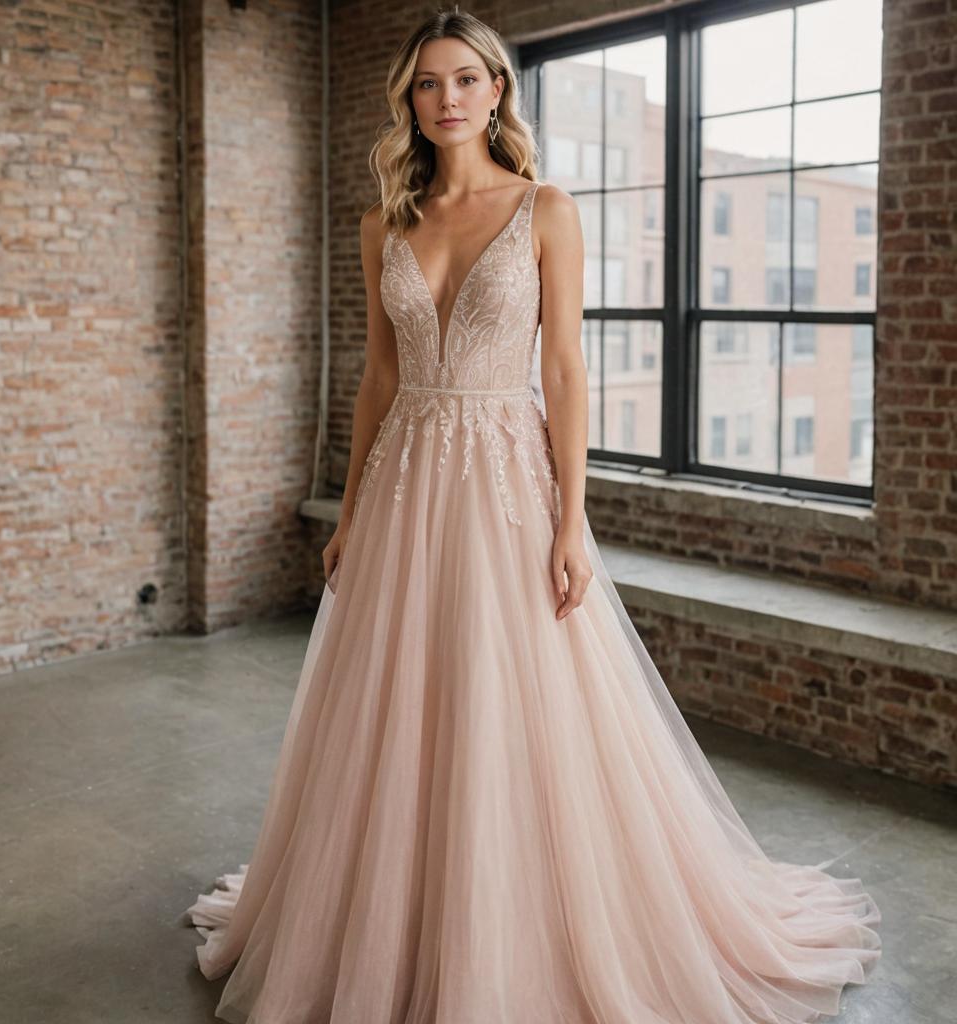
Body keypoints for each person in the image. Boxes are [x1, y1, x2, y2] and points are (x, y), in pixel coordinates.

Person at [185, 7, 882, 1022]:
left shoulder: (546, 208)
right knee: (400, 701)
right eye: (428, 84)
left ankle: (518, 921)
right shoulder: (384, 219)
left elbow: (564, 368)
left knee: (515, 702)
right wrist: (346, 504)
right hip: (404, 483)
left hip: (510, 481)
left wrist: (570, 524)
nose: (448, 99)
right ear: (410, 101)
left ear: (497, 89)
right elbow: (379, 375)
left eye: (465, 79)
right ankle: (403, 912)